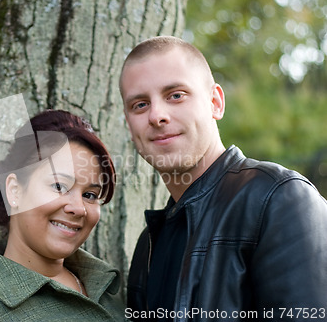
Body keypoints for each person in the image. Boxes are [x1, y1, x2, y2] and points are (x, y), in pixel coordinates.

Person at [120, 35, 327, 321]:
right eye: (140, 105)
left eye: (176, 95)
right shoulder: (149, 244)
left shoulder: (278, 199)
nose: (157, 115)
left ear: (215, 102)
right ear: (129, 125)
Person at [0, 110, 126, 321]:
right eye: (59, 186)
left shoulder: (110, 290)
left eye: (90, 195)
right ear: (14, 190)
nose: (78, 208)